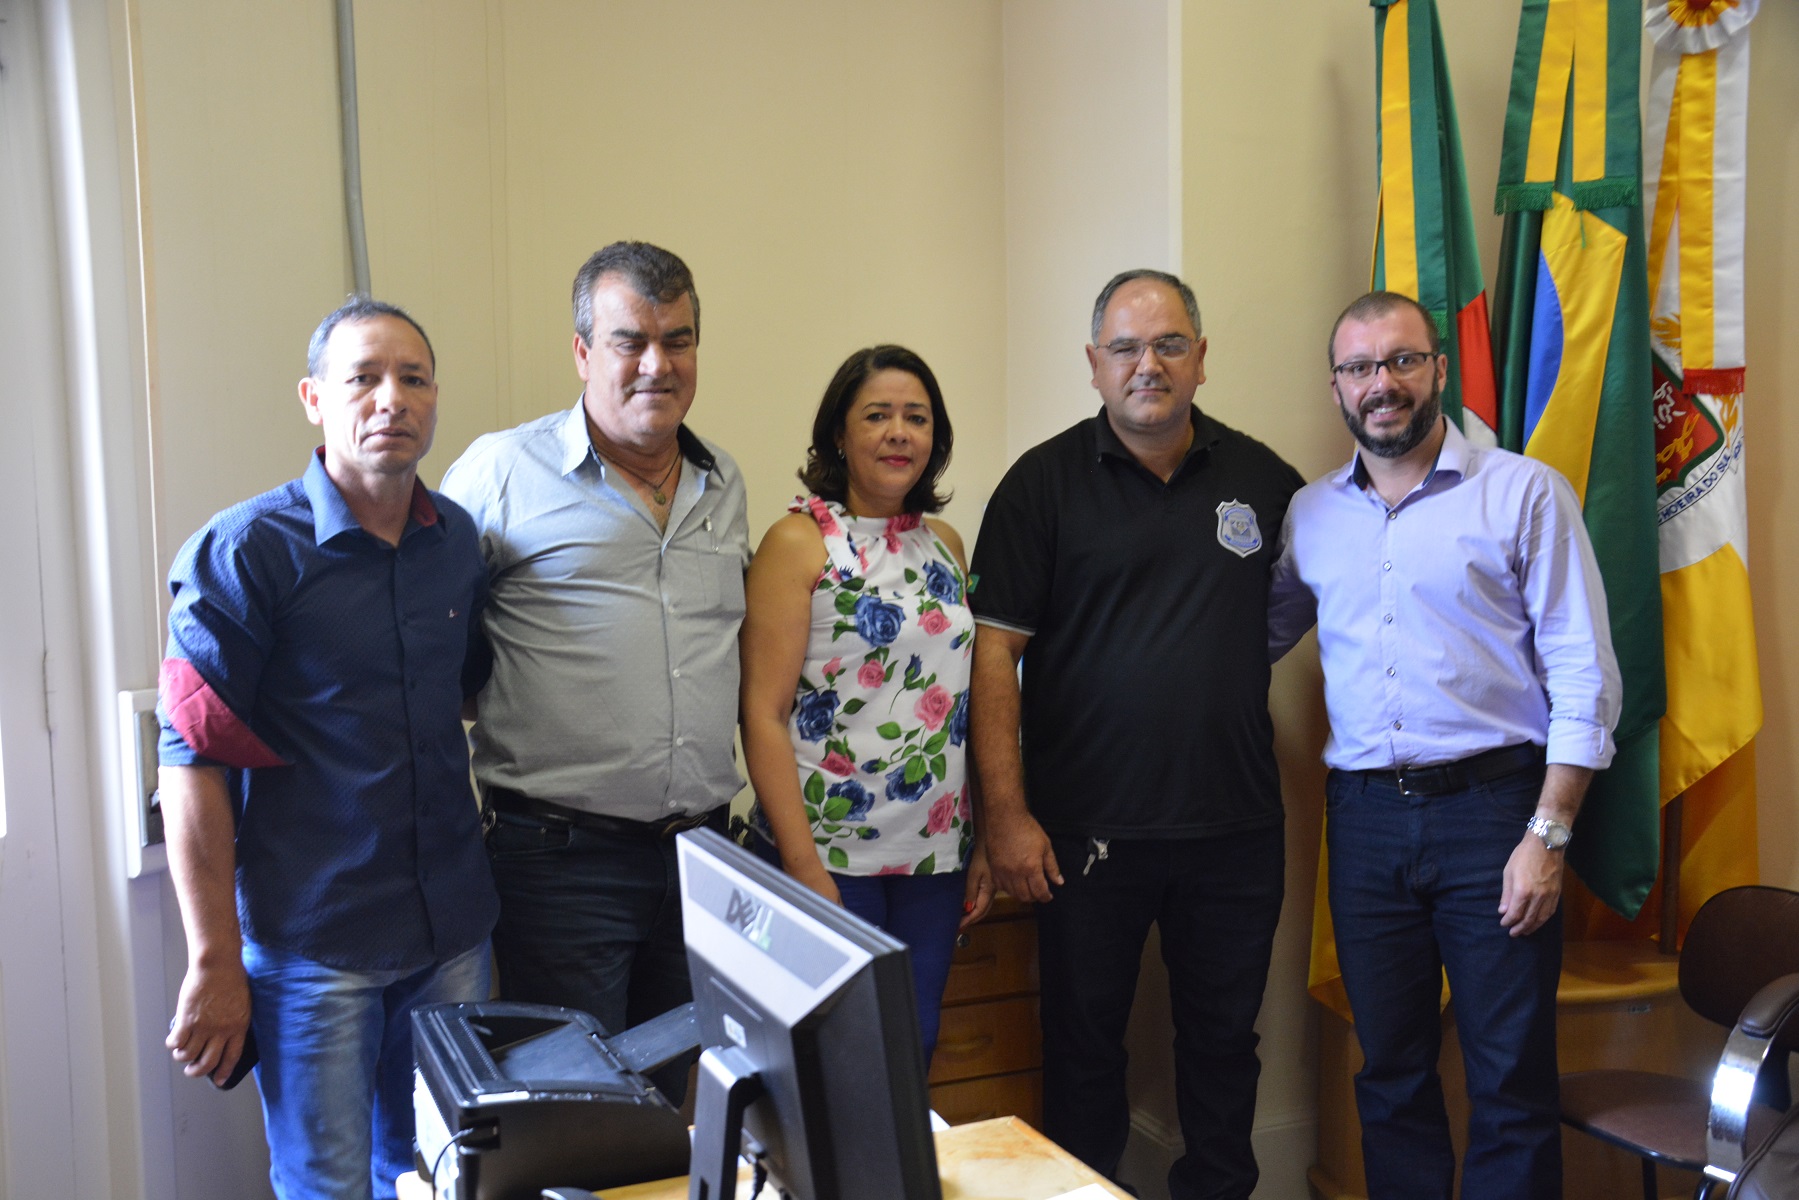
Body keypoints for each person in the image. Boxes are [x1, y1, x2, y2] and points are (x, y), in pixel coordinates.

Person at [1269, 290, 1621, 1199]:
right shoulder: (1308, 518)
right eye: (1357, 368)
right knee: (1387, 1071)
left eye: (1399, 361)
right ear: (1336, 388)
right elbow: (1240, 641)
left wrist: (1546, 837)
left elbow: (1584, 672)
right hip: (1363, 824)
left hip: (1494, 818)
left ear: (1436, 369)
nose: (1379, 385)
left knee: (1507, 1079)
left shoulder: (1521, 492)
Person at [969, 269, 1304, 1199]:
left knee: (1223, 1047)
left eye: (1167, 345)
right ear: (1093, 365)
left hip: (1233, 830)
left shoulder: (1264, 482)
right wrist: (1007, 816)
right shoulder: (1039, 487)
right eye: (1125, 347)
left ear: (1200, 359)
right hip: (1082, 833)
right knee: (1081, 1050)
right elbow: (991, 658)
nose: (1146, 365)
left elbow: (1306, 605)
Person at [158, 299, 498, 1200]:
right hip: (316, 948)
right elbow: (189, 762)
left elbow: (459, 693)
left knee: (447, 1179)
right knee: (328, 1187)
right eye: (363, 378)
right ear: (315, 398)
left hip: (453, 933)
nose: (392, 398)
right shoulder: (240, 554)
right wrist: (213, 959)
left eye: (413, 378)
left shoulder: (455, 541)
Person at [438, 242, 749, 1097]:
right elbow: (440, 646)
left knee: (688, 1109)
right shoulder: (501, 471)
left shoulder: (723, 483)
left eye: (678, 340)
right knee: (578, 1118)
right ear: (582, 352)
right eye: (630, 341)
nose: (658, 364)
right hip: (558, 861)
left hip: (700, 856)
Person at [739, 345, 994, 1060]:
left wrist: (978, 841)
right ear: (839, 436)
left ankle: (893, 1181)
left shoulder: (944, 544)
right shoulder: (797, 543)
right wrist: (802, 866)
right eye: (876, 415)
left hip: (932, 859)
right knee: (830, 1066)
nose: (898, 432)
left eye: (916, 417)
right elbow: (761, 713)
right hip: (827, 855)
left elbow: (961, 702)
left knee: (909, 1052)